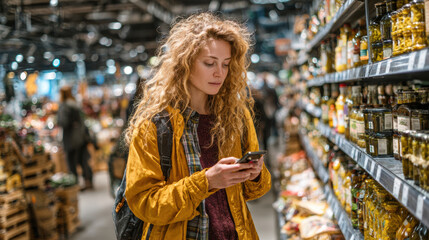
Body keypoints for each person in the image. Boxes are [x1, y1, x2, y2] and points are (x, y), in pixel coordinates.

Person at [124, 12, 271, 239]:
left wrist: (254, 174)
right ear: (185, 62)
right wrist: (207, 181)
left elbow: (255, 192)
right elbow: (144, 203)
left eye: (225, 64)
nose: (219, 73)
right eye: (209, 63)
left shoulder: (236, 116)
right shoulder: (155, 125)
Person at [57, 86, 94, 191]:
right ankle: (88, 181)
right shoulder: (75, 104)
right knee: (83, 160)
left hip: (70, 139)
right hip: (81, 136)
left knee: (72, 162)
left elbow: (63, 122)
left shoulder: (64, 106)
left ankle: (75, 184)